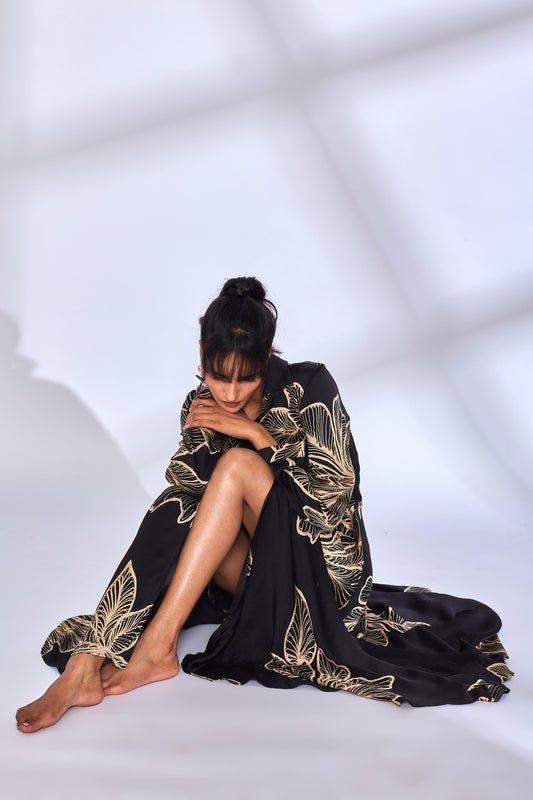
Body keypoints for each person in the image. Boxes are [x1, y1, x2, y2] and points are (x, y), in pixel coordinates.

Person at [16, 277, 512, 732]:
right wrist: (213, 435)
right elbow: (183, 506)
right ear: (202, 354)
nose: (230, 393)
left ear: (267, 356)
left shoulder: (311, 387)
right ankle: (87, 663)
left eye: (247, 379)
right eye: (218, 376)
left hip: (323, 579)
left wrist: (256, 436)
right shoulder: (201, 404)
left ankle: (154, 648)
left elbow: (335, 500)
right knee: (180, 502)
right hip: (254, 577)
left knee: (237, 466)